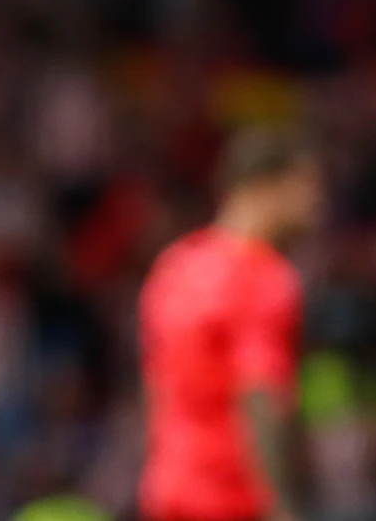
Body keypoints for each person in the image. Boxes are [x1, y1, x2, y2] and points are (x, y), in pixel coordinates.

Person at [138, 125, 323, 521]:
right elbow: (260, 397)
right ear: (263, 186)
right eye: (305, 187)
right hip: (233, 504)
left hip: (168, 496)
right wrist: (285, 507)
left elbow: (154, 391)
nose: (315, 206)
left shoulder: (173, 267)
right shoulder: (265, 278)